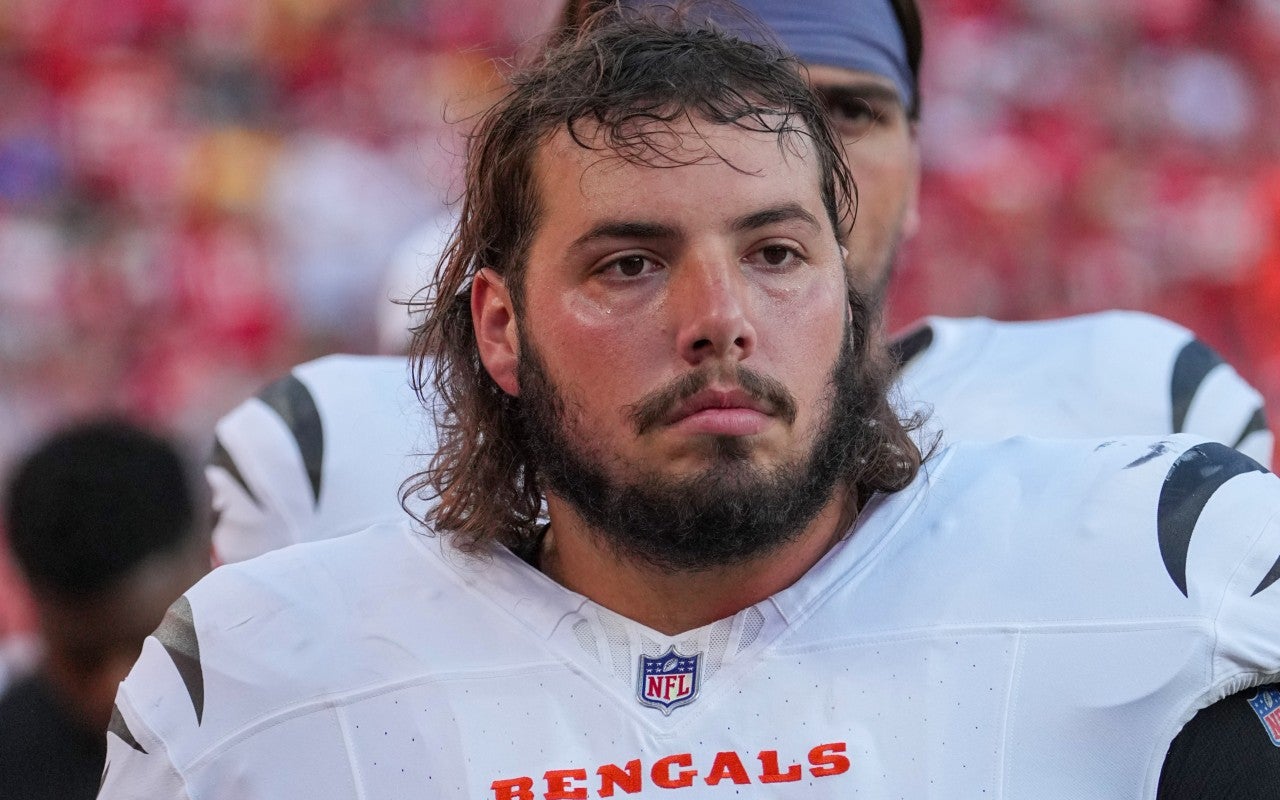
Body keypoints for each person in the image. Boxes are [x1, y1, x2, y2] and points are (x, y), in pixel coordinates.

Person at [101, 13, 1280, 797]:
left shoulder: (1160, 559)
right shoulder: (262, 676)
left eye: (774, 253)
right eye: (629, 263)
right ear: (498, 327)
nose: (717, 315)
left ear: (845, 286)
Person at [204, 0, 1271, 566]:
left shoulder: (1135, 410)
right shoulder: (339, 450)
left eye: (845, 114)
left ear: (918, 140)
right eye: (719, 119)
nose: (795, 166)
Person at [0, 419, 208, 800]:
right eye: (83, 660)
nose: (116, 689)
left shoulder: (303, 717)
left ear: (207, 563)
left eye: (150, 643)